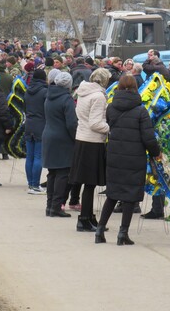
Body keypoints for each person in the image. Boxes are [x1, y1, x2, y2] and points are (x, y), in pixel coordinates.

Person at [95, 74, 160, 246]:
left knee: (112, 194)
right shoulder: (141, 111)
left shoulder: (111, 108)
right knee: (130, 196)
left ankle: (100, 230)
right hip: (134, 157)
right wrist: (156, 152)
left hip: (114, 155)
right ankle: (122, 234)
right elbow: (148, 137)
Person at [69, 68, 111, 232]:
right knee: (90, 183)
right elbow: (95, 123)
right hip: (92, 141)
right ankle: (85, 219)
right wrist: (110, 128)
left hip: (82, 138)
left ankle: (89, 217)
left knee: (87, 182)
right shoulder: (99, 96)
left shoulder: (83, 93)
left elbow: (80, 115)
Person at [42, 72, 78, 217]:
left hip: (49, 135)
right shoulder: (66, 99)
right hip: (62, 139)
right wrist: (76, 138)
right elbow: (71, 123)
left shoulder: (49, 96)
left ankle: (50, 205)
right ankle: (57, 206)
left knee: (52, 173)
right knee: (63, 173)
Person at [24, 69, 48, 194]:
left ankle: (30, 184)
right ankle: (35, 185)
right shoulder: (45, 91)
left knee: (30, 156)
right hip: (41, 124)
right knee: (38, 156)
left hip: (29, 123)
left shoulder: (27, 90)